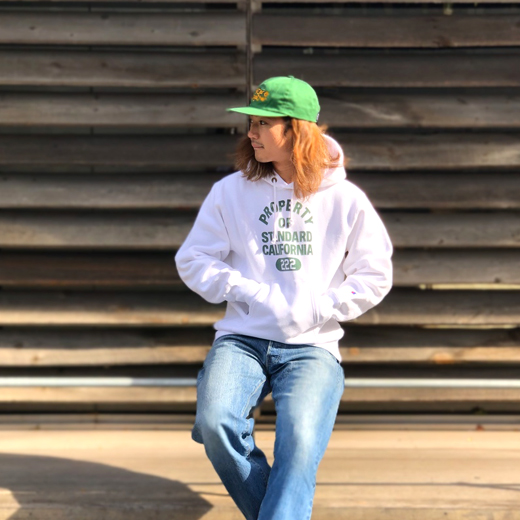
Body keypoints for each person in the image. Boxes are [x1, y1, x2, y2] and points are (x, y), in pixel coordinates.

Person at [175, 75, 393, 520]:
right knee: (216, 425)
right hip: (242, 337)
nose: (251, 132)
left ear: (296, 130)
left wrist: (319, 307)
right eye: (251, 122)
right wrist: (249, 291)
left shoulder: (346, 199)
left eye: (263, 123)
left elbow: (374, 274)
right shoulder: (230, 191)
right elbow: (194, 259)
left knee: (300, 444)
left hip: (313, 344)